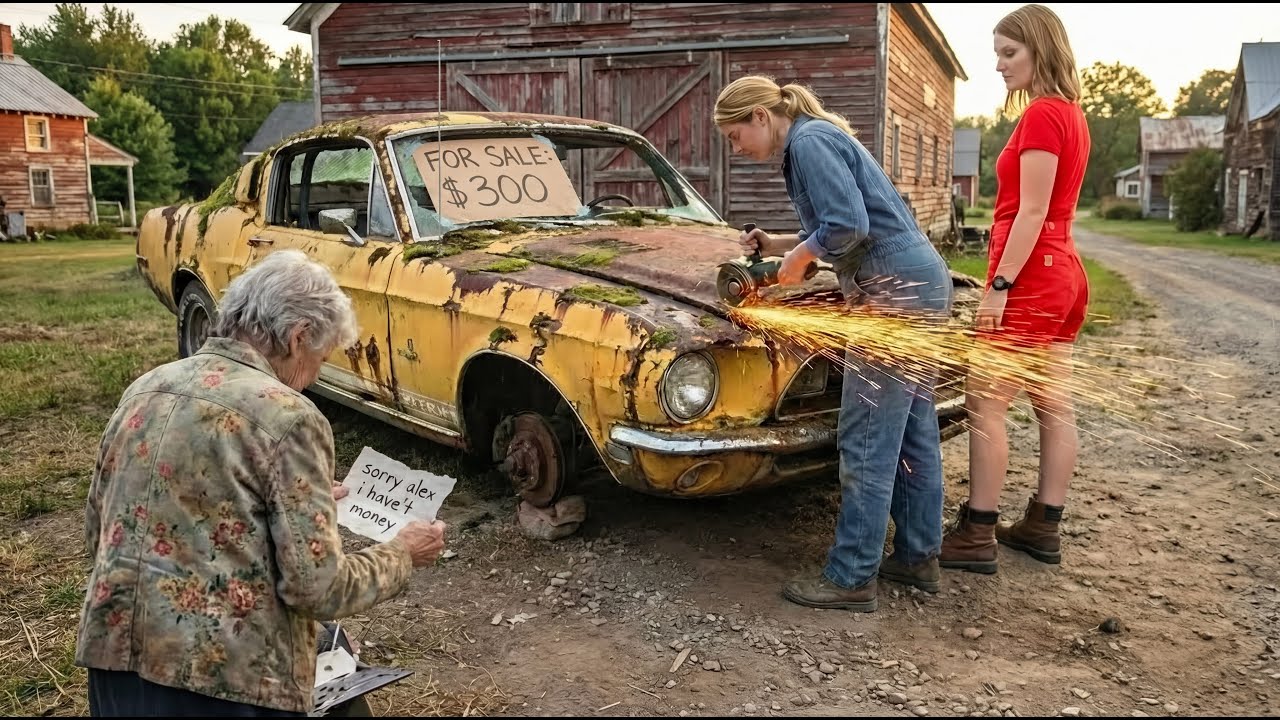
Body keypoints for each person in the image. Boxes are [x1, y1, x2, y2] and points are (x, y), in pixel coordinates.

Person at [76, 249, 448, 716]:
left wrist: (280, 509)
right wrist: (402, 554)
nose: (311, 379)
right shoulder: (288, 417)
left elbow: (100, 531)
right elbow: (318, 589)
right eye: (320, 359)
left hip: (113, 664)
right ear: (298, 338)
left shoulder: (146, 387)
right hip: (220, 683)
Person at [714, 76, 953, 612]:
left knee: (866, 435)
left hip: (891, 292)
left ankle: (850, 577)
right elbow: (841, 221)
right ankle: (917, 556)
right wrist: (781, 244)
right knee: (912, 428)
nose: (736, 149)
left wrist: (797, 261)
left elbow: (846, 225)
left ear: (759, 116)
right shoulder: (815, 136)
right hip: (919, 282)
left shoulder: (809, 142)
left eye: (735, 136)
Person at [940, 4, 1091, 573]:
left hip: (1032, 273)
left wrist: (998, 285)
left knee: (985, 401)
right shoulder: (1072, 114)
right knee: (1053, 403)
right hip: (1064, 272)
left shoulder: (1042, 116)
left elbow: (1029, 211)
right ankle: (1041, 526)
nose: (1000, 66)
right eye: (997, 54)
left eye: (1010, 53)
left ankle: (977, 533)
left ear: (1041, 50)